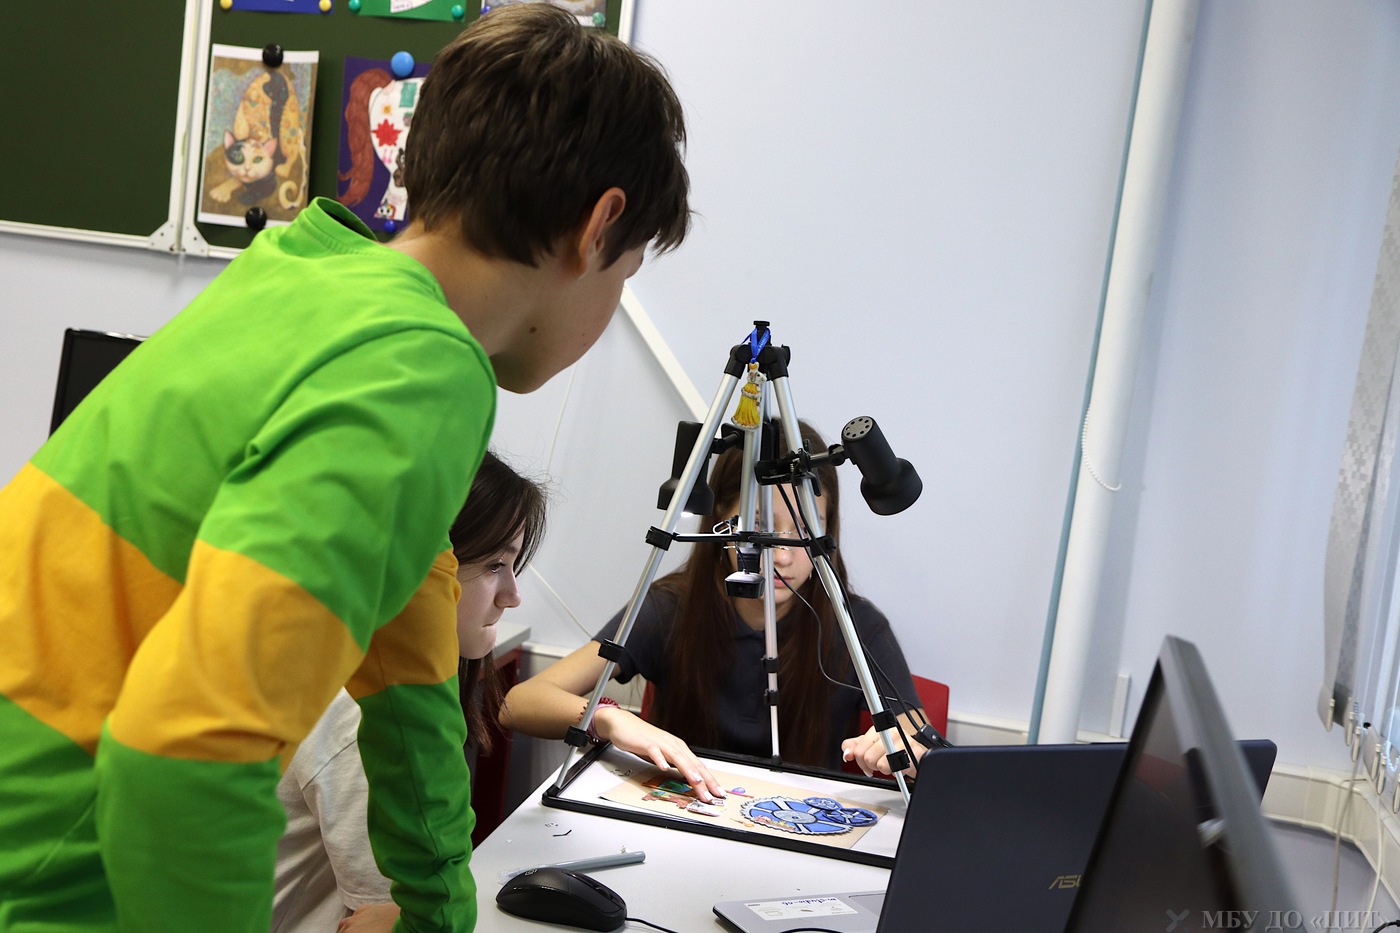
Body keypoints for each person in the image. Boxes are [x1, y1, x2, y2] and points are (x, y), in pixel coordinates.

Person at [0, 5, 689, 931]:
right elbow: (189, 750)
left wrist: (439, 912)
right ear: (599, 227)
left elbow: (410, 686)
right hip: (45, 878)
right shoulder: (421, 366)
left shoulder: (307, 270)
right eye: (626, 271)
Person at [499, 420, 925, 802]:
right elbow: (519, 703)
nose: (782, 554)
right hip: (686, 813)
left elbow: (919, 741)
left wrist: (901, 747)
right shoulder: (670, 607)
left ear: (826, 530)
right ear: (721, 520)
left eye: (804, 530)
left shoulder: (857, 625)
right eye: (762, 527)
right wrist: (607, 718)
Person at [272, 451, 546, 933]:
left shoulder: (332, 653)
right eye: (494, 565)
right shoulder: (363, 713)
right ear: (422, 567)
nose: (512, 595)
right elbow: (396, 915)